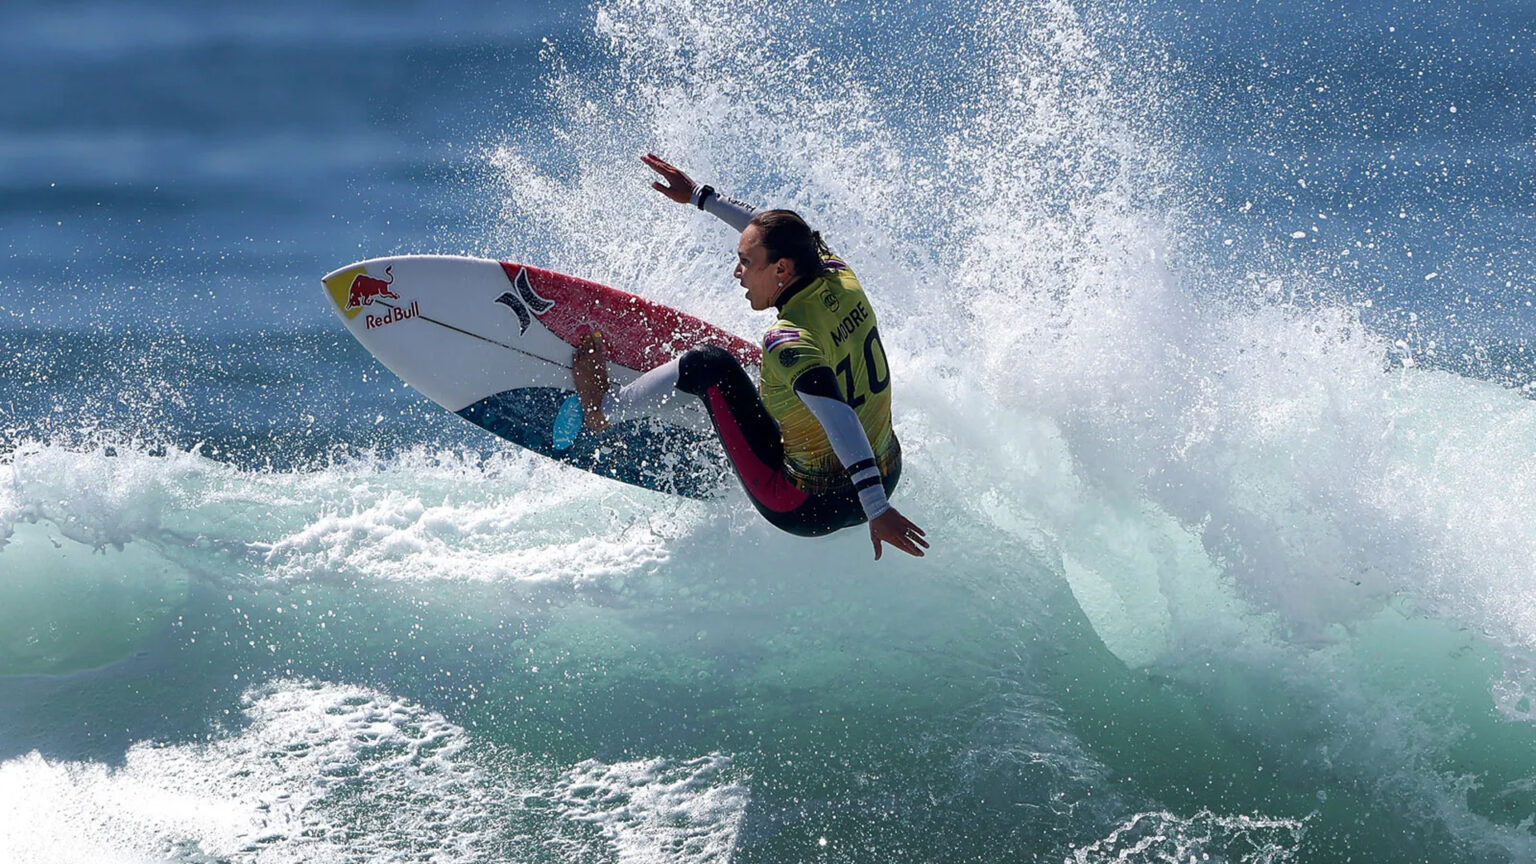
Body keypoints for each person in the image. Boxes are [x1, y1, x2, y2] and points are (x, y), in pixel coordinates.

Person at [572, 153, 928, 560]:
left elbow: (837, 415)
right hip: (887, 472)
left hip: (806, 507)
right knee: (790, 377)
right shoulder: (837, 272)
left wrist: (877, 509)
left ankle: (603, 409)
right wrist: (699, 197)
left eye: (745, 261)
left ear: (781, 270)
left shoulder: (788, 339)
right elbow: (783, 233)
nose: (737, 272)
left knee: (708, 362)